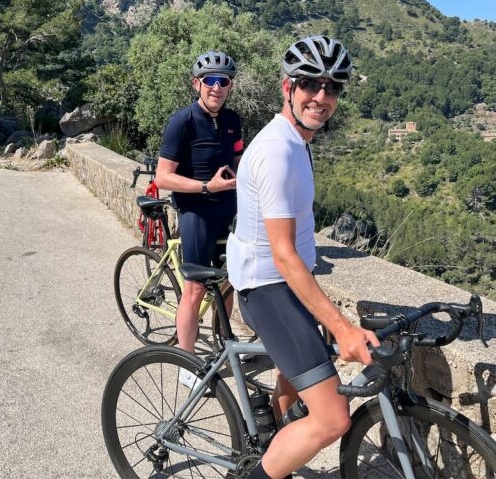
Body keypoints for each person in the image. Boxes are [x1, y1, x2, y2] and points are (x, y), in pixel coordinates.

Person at [226, 35, 380, 479]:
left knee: (297, 379)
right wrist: (343, 327)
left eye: (332, 88)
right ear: (287, 87)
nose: (321, 97)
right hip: (267, 286)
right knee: (333, 419)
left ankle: (270, 440)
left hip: (285, 282)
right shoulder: (277, 151)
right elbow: (283, 253)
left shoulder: (296, 141)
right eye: (310, 84)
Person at [155, 50, 243, 387]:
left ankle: (223, 344)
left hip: (228, 211)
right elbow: (163, 177)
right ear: (197, 84)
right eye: (210, 80)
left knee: (227, 283)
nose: (217, 87)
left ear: (230, 86)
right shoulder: (182, 122)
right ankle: (186, 361)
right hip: (196, 213)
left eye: (224, 81)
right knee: (193, 290)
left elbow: (238, 159)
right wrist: (207, 186)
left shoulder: (233, 120)